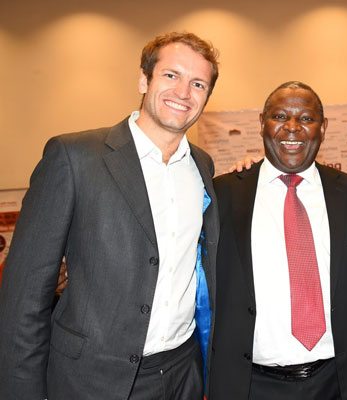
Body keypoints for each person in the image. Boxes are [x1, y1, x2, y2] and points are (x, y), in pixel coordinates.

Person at [0, 32, 220, 400]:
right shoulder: (74, 157)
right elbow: (24, 297)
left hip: (183, 374)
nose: (184, 92)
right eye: (171, 75)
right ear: (143, 79)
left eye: (198, 83)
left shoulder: (203, 167)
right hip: (93, 379)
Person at [209, 81, 347, 399]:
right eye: (279, 116)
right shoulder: (221, 195)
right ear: (262, 122)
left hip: (341, 382)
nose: (292, 128)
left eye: (306, 118)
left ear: (323, 127)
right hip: (250, 385)